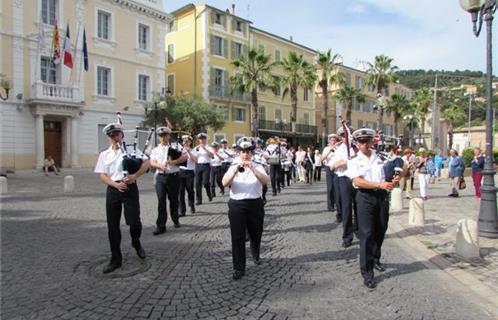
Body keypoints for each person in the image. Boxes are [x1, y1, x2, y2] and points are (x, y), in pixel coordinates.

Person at [94, 122, 149, 274]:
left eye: (117, 134)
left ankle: (136, 242)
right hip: (113, 189)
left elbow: (146, 162)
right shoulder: (104, 154)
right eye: (112, 136)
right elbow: (102, 175)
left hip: (130, 188)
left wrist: (134, 176)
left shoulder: (131, 149)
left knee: (135, 222)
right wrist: (114, 184)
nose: (115, 138)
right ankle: (115, 259)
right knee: (113, 226)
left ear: (122, 135)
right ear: (108, 137)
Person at [348, 128, 398, 289]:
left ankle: (376, 258)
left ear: (371, 141)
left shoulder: (382, 157)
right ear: (356, 143)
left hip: (382, 196)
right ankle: (367, 272)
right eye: (360, 142)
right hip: (364, 197)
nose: (363, 144)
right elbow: (358, 181)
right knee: (367, 234)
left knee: (380, 230)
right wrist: (379, 184)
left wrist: (396, 178)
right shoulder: (354, 160)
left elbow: (399, 169)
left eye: (365, 141)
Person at [222, 137, 269, 280]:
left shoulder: (259, 165)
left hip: (255, 203)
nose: (245, 155)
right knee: (237, 237)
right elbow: (224, 183)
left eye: (248, 152)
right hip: (237, 204)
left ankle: (255, 254)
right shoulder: (233, 165)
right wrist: (235, 170)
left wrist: (253, 168)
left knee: (256, 233)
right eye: (243, 152)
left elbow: (265, 181)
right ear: (239, 153)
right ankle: (238, 268)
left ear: (252, 153)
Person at [150, 127, 188, 234]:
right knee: (161, 201)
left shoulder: (176, 146)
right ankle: (161, 226)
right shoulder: (155, 150)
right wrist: (160, 166)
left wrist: (174, 162)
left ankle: (175, 219)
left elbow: (185, 157)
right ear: (158, 137)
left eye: (165, 135)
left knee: (174, 200)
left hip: (173, 176)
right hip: (160, 177)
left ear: (169, 136)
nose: (163, 138)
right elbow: (152, 162)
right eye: (161, 136)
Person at [330, 126, 357, 246]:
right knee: (346, 208)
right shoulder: (340, 149)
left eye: (348, 135)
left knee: (359, 207)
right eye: (343, 136)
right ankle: (347, 236)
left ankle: (359, 230)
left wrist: (345, 162)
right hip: (344, 179)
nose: (346, 138)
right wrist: (349, 162)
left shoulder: (358, 148)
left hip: (358, 179)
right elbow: (332, 166)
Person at [193, 133, 214, 205]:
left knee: (205, 182)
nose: (202, 140)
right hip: (198, 165)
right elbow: (194, 157)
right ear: (198, 140)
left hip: (206, 166)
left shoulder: (209, 147)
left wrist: (204, 148)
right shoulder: (196, 148)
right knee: (197, 183)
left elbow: (212, 155)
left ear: (206, 139)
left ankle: (209, 193)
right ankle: (199, 199)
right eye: (200, 139)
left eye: (203, 139)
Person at [179, 135, 197, 216]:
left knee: (190, 190)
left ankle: (192, 204)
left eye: (187, 141)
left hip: (189, 172)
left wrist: (189, 151)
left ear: (190, 142)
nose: (185, 142)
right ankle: (182, 211)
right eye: (184, 141)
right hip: (181, 171)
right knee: (181, 192)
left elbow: (196, 160)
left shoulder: (194, 150)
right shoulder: (179, 150)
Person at [321, 134, 338, 213]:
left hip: (337, 168)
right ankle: (330, 206)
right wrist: (329, 150)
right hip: (329, 168)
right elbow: (322, 158)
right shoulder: (326, 148)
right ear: (329, 141)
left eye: (334, 140)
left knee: (337, 188)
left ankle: (337, 204)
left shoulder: (339, 148)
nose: (333, 141)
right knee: (330, 188)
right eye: (332, 140)